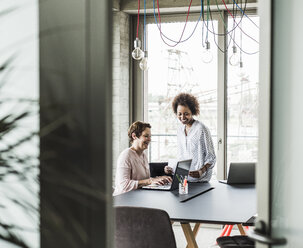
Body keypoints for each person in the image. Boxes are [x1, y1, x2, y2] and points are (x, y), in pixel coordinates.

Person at [164, 93, 216, 182]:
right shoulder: (180, 130)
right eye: (179, 114)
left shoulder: (201, 129)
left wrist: (201, 170)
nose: (182, 117)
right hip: (184, 179)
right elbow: (182, 156)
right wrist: (171, 168)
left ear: (192, 111)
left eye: (186, 114)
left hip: (200, 179)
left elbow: (211, 157)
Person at [113, 121, 172, 196]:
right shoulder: (126, 155)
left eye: (150, 136)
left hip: (138, 197)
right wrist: (150, 181)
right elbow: (123, 185)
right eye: (146, 136)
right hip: (123, 200)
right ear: (134, 136)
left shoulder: (143, 155)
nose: (149, 139)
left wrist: (159, 178)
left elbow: (142, 180)